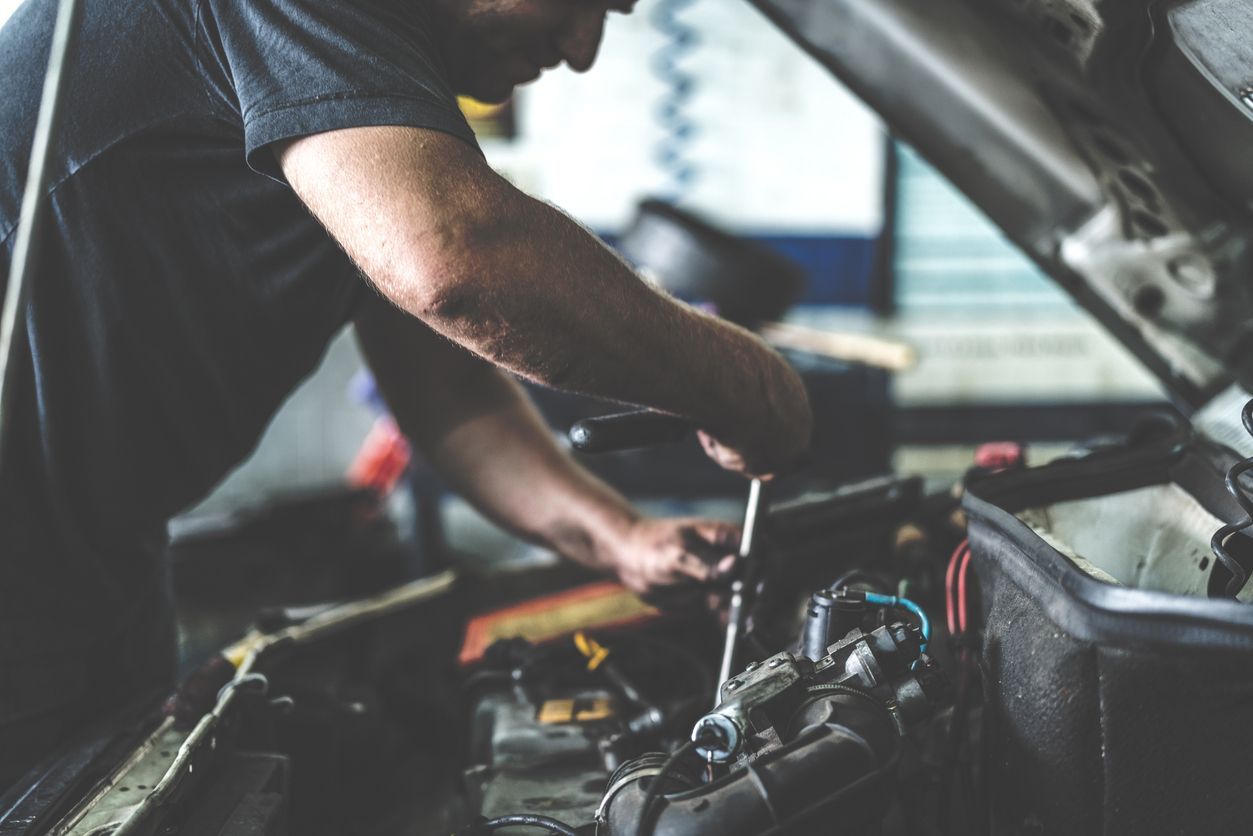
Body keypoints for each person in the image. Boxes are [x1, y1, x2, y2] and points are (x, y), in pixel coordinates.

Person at [0, 0, 812, 789]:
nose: (584, 47)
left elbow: (455, 397)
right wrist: (744, 384)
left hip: (101, 561)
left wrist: (622, 538)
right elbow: (451, 259)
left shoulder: (362, 106)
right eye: (583, 3)